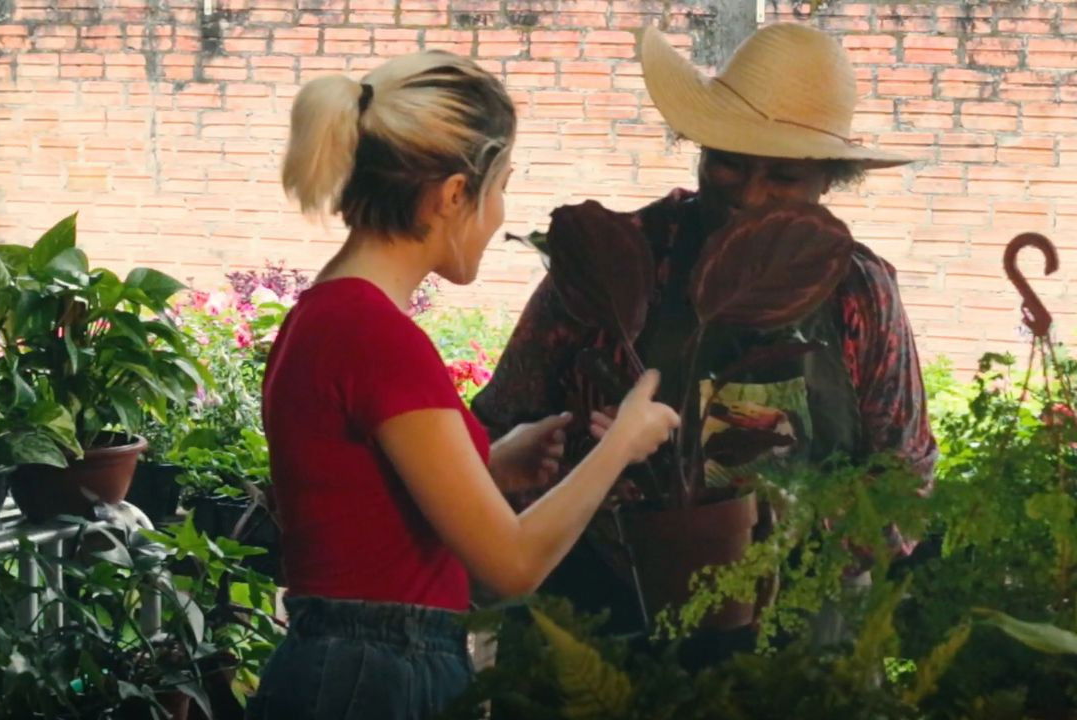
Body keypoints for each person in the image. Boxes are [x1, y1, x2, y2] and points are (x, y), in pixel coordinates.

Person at [249, 50, 681, 720]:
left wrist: (490, 467)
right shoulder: (378, 337)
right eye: (500, 184)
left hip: (347, 666)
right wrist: (619, 444)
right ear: (454, 194)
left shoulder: (329, 314)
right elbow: (509, 567)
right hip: (380, 675)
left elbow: (359, 510)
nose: (501, 211)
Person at [472, 23, 938, 640]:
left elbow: (905, 479)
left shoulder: (859, 293)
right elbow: (499, 432)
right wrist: (587, 472)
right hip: (594, 628)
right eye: (728, 164)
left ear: (828, 180)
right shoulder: (618, 261)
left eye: (783, 177)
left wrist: (793, 534)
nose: (749, 195)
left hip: (794, 644)